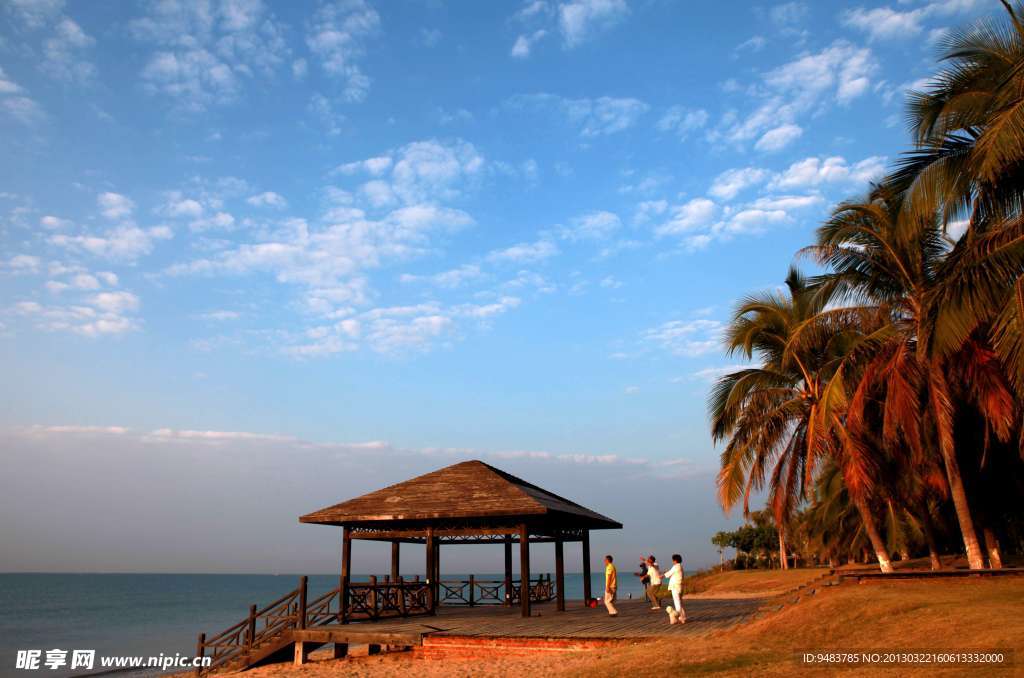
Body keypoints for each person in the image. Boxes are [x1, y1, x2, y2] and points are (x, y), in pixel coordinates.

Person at [663, 553, 685, 624]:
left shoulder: (675, 566)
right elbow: (672, 574)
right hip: (679, 586)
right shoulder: (680, 567)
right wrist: (666, 574)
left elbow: (669, 573)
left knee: (677, 602)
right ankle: (682, 617)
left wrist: (662, 575)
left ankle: (678, 616)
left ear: (675, 560)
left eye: (673, 560)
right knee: (679, 602)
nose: (672, 561)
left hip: (675, 587)